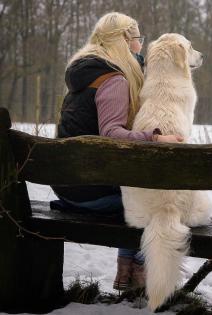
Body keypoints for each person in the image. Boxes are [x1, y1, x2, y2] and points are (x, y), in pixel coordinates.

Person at [52, 12, 183, 291]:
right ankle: (139, 278)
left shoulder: (86, 73)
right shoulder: (113, 79)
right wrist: (155, 138)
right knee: (154, 205)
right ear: (125, 40)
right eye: (137, 39)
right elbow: (112, 134)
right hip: (88, 193)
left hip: (67, 186)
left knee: (137, 198)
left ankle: (126, 274)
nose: (140, 45)